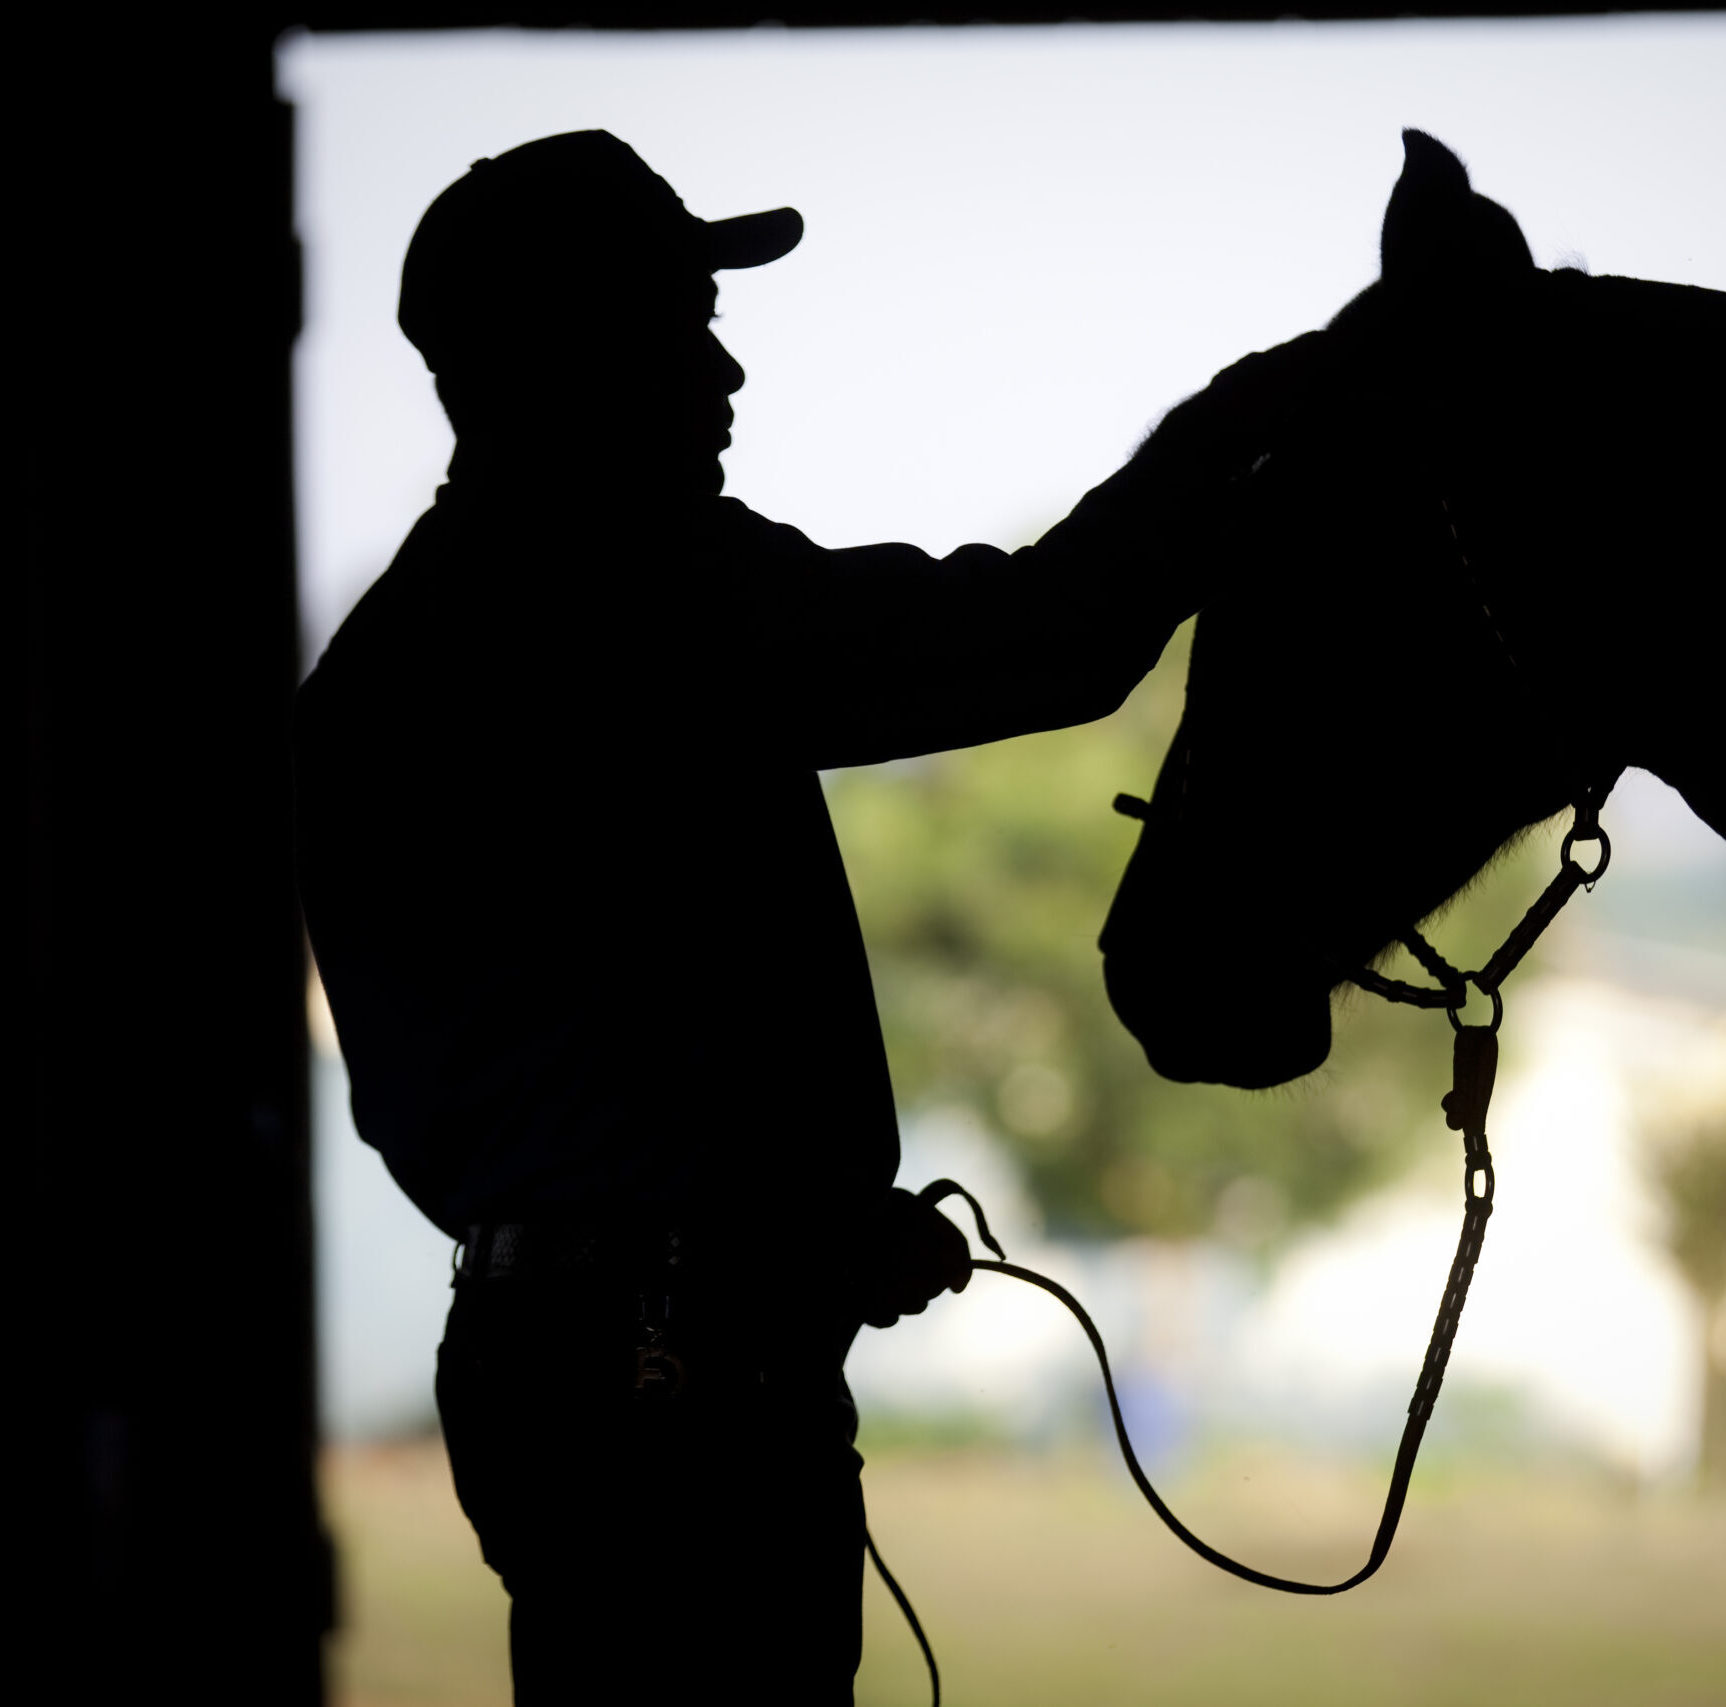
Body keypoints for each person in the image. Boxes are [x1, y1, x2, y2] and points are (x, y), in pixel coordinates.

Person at [293, 130, 1325, 1702]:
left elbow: (509, 1097)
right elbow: (1055, 640)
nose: (723, 374)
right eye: (677, 323)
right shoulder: (641, 589)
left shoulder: (370, 677)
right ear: (569, 356)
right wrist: (1268, 407)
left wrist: (764, 1225)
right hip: (681, 1390)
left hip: (541, 1368)